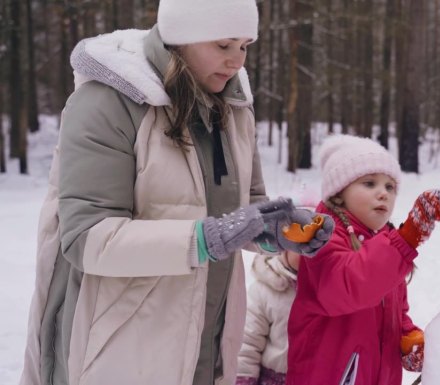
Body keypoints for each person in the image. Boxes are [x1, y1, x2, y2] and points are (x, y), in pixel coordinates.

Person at [18, 1, 333, 385]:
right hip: (120, 347)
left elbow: (244, 207)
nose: (237, 60)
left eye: (245, 45)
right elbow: (86, 236)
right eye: (223, 45)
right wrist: (204, 238)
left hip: (208, 341)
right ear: (183, 37)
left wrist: (276, 231)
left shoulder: (233, 108)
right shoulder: (109, 102)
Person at [286, 134, 440, 385]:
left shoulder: (385, 242)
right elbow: (348, 286)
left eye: (390, 187)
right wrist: (408, 237)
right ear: (339, 193)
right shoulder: (322, 236)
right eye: (369, 184)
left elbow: (396, 311)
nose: (383, 194)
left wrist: (407, 339)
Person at [235, 250, 301, 385]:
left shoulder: (332, 295)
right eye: (301, 247)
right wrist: (243, 379)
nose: (311, 253)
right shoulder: (265, 289)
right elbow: (247, 343)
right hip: (272, 379)